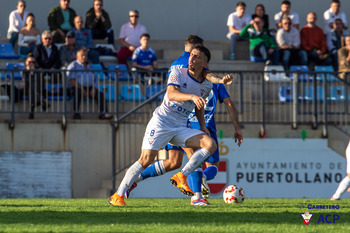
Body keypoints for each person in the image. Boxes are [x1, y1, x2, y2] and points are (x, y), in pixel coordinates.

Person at [121, 36, 235, 205]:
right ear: (193, 50)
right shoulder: (187, 65)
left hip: (177, 118)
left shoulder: (178, 62)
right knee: (194, 154)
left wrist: (218, 80)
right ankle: (197, 197)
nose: (195, 57)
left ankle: (134, 180)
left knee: (173, 162)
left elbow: (207, 76)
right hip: (178, 120)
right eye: (196, 53)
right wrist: (217, 82)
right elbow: (205, 76)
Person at [67, 47, 113, 120]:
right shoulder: (73, 66)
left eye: (85, 55)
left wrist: (94, 88)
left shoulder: (90, 66)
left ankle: (103, 113)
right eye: (82, 55)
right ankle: (76, 113)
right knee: (77, 92)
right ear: (77, 56)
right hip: (77, 87)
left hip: (90, 87)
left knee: (100, 94)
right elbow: (72, 81)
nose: (84, 57)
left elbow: (95, 79)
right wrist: (82, 89)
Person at [22, 53, 49, 119]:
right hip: (26, 88)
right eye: (29, 62)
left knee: (33, 87)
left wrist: (34, 71)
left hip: (36, 89)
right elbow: (26, 80)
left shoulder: (37, 71)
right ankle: (41, 102)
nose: (31, 63)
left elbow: (40, 81)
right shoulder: (24, 70)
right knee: (32, 86)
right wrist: (31, 72)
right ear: (26, 62)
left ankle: (32, 111)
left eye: (33, 62)